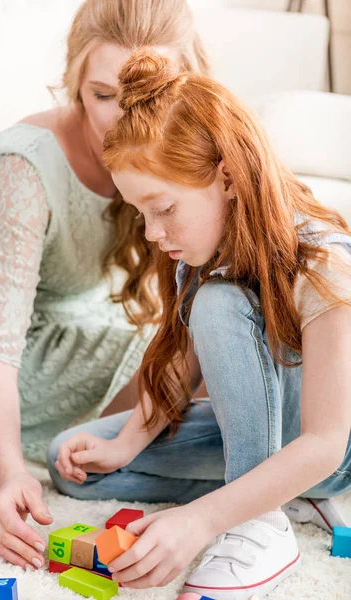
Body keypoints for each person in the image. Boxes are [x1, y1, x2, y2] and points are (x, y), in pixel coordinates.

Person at [47, 49, 351, 599]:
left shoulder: (325, 262)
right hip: (266, 442)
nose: (152, 233)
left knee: (217, 302)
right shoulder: (203, 244)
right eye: (142, 213)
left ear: (227, 177)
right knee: (74, 463)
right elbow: (186, 360)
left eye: (163, 208)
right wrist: (129, 442)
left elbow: (327, 442)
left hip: (328, 450)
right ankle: (267, 492)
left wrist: (202, 521)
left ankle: (258, 523)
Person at [0, 1, 211, 572]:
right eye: (102, 95)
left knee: (223, 350)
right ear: (73, 81)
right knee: (206, 376)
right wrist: (12, 475)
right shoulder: (23, 167)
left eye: (146, 94)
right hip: (27, 362)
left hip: (98, 323)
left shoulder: (187, 143)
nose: (122, 121)